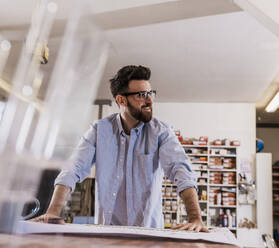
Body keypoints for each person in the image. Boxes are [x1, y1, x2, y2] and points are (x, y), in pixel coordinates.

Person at [31, 65, 208, 232]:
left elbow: (180, 170)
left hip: (148, 235)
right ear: (121, 99)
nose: (149, 100)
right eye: (141, 95)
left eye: (150, 93)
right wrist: (54, 211)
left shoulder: (162, 132)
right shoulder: (99, 130)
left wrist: (195, 218)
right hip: (107, 235)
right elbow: (73, 168)